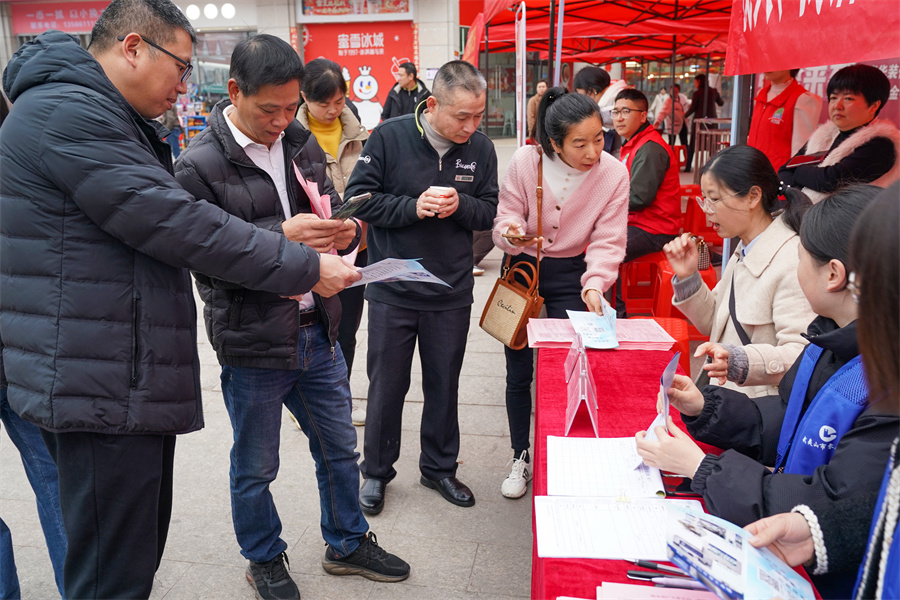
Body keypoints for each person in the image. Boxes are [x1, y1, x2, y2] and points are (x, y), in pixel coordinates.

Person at [0, 1, 360, 597]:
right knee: (111, 575)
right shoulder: (66, 113)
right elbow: (181, 224)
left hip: (119, 371)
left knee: (130, 561)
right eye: (183, 67)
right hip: (98, 379)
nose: (185, 86)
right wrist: (301, 264)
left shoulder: (100, 112)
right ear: (134, 46)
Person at [173, 36, 409, 598]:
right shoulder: (198, 166)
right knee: (256, 466)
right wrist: (286, 241)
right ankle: (263, 556)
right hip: (254, 342)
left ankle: (347, 541)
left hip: (318, 330)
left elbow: (327, 204)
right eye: (268, 110)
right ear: (235, 92)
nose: (282, 120)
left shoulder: (300, 143)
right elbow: (206, 264)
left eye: (289, 106)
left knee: (338, 448)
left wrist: (345, 232)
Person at [637, 186, 896, 598]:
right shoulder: (831, 339)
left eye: (800, 260)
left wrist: (704, 468)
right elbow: (787, 419)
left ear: (833, 274)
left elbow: (837, 502)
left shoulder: (886, 384)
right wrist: (707, 407)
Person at [346, 60, 498, 514]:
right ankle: (375, 472)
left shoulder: (481, 150)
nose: (470, 127)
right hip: (393, 283)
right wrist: (414, 207)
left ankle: (439, 469)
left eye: (478, 116)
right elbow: (359, 200)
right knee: (387, 385)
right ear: (432, 105)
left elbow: (489, 212)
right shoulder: (389, 137)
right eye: (461, 117)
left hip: (450, 288)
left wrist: (461, 205)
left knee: (444, 382)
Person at [744, 183, 900, 600]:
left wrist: (707, 471)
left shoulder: (880, 378)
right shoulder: (830, 341)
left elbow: (847, 490)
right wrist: (819, 531)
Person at [492, 87, 629, 498]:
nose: (592, 151)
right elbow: (507, 212)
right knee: (519, 368)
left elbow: (608, 239)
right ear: (554, 142)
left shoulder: (613, 173)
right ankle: (521, 455)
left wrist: (595, 285)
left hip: (574, 273)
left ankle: (570, 453)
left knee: (576, 363)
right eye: (580, 143)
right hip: (523, 267)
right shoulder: (525, 161)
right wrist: (511, 233)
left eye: (599, 138)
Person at [662, 145, 816, 398]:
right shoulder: (745, 248)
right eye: (704, 199)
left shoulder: (792, 259)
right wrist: (689, 276)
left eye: (714, 199)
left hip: (757, 407)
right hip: (730, 398)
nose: (706, 209)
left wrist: (742, 362)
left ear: (753, 197)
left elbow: (802, 354)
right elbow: (715, 323)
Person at [297, 57, 370, 425]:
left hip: (355, 248)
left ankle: (340, 397)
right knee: (312, 329)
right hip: (310, 253)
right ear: (304, 98)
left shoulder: (360, 135)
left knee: (348, 330)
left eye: (338, 101)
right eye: (322, 102)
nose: (332, 110)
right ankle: (304, 399)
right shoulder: (289, 137)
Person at [778, 64, 900, 203]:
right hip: (804, 215)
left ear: (873, 106)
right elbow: (785, 171)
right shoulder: (825, 134)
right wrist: (798, 192)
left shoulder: (881, 143)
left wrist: (799, 172)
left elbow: (830, 181)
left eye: (848, 99)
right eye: (833, 98)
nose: (837, 106)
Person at [612, 89, 682, 317]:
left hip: (655, 229)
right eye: (615, 112)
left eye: (626, 111)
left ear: (643, 116)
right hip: (639, 223)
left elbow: (640, 198)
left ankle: (615, 318)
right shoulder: (637, 143)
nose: (619, 117)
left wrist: (602, 203)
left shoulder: (650, 148)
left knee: (605, 251)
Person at [747, 69, 821, 171]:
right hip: (752, 171)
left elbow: (800, 150)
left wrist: (790, 178)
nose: (768, 66)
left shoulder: (802, 99)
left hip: (778, 176)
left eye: (774, 59)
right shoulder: (761, 94)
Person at [573, 66, 627, 156]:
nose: (583, 100)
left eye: (582, 96)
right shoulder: (614, 98)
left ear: (593, 91)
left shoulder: (617, 102)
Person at [683, 73, 724, 171]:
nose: (695, 84)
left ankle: (688, 167)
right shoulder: (713, 91)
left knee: (693, 144)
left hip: (699, 123)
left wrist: (684, 115)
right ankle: (714, 167)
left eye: (695, 82)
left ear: (699, 81)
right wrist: (716, 94)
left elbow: (693, 108)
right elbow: (721, 103)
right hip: (712, 122)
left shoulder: (697, 93)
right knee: (712, 145)